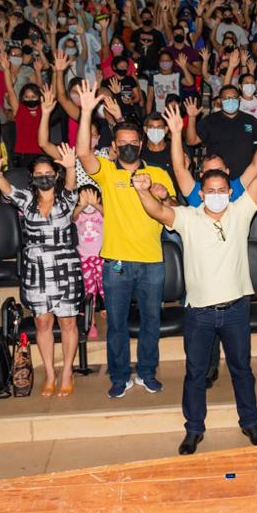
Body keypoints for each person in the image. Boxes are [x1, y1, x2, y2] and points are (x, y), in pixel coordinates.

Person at [130, 133, 257, 455]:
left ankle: (249, 422)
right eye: (209, 192)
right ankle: (194, 429)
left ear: (229, 192)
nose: (216, 196)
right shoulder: (187, 218)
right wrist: (142, 192)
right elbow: (158, 212)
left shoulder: (240, 212)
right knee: (195, 373)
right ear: (201, 193)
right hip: (198, 313)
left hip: (236, 309)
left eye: (221, 191)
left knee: (242, 369)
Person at [76, 80, 176, 399]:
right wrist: (88, 111)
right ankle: (119, 376)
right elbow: (82, 152)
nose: (129, 146)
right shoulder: (107, 172)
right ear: (115, 147)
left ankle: (146, 372)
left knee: (151, 321)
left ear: (141, 143)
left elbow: (173, 212)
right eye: (123, 142)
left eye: (134, 141)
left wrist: (161, 195)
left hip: (152, 262)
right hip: (116, 261)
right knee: (117, 323)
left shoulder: (159, 173)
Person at [0, 146, 84, 397]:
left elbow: (73, 187)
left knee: (68, 321)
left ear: (56, 175)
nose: (45, 177)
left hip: (65, 264)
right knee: (42, 322)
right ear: (32, 177)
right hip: (37, 266)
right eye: (39, 174)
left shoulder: (66, 199)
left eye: (49, 173)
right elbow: (7, 189)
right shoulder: (27, 200)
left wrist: (71, 166)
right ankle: (50, 374)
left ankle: (66, 372)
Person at [185, 86, 257, 177]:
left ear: (239, 99)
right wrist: (191, 118)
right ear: (220, 101)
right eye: (227, 98)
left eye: (234, 98)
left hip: (246, 177)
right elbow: (191, 141)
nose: (231, 100)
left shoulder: (250, 120)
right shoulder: (210, 121)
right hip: (217, 178)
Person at [74, 185, 104, 341]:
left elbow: (110, 215)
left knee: (106, 289)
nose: (88, 201)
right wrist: (82, 205)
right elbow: (71, 217)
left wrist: (96, 204)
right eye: (83, 197)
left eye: (91, 197)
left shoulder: (101, 212)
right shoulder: (78, 215)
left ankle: (113, 319)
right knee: (89, 291)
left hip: (102, 257)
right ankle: (91, 322)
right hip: (85, 258)